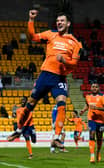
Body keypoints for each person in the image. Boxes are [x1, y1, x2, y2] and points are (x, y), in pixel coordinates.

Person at [8, 9, 82, 149]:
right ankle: (18, 130)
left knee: (62, 104)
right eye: (58, 20)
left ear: (68, 23)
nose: (59, 22)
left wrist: (64, 60)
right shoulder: (50, 34)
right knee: (30, 104)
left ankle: (56, 137)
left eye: (62, 21)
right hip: (45, 75)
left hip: (60, 78)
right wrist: (31, 19)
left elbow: (74, 64)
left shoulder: (75, 43)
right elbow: (33, 37)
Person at [80, 82, 103, 163]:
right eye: (93, 87)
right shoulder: (87, 96)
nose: (94, 88)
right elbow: (87, 105)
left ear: (98, 88)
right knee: (92, 134)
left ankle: (98, 152)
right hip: (91, 119)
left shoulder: (102, 97)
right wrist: (83, 110)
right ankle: (92, 156)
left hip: (101, 120)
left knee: (99, 138)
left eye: (96, 87)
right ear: (90, 88)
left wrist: (97, 108)